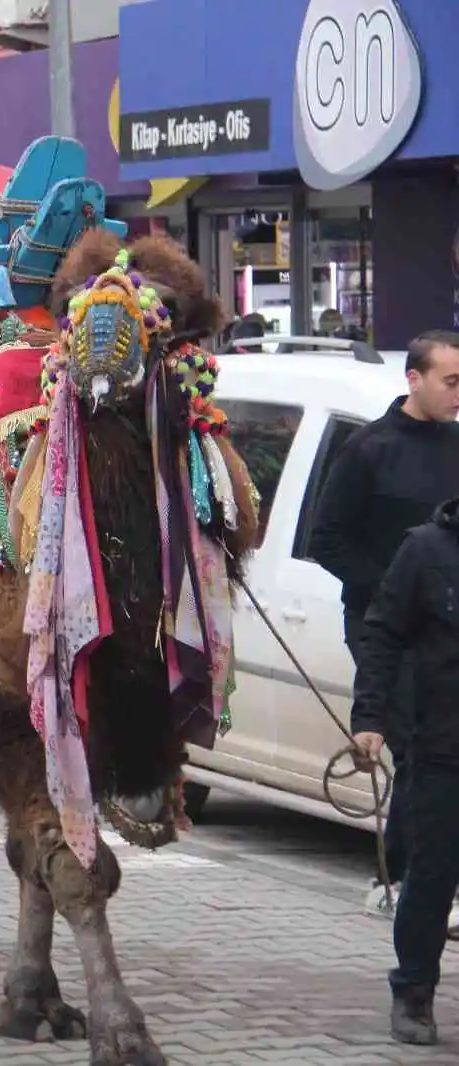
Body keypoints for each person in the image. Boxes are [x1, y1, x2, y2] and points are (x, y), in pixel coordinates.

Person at [313, 329, 459, 917]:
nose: (458, 393)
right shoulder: (368, 449)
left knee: (437, 752)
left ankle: (416, 876)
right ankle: (401, 880)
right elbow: (326, 539)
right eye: (450, 381)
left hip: (445, 627)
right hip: (383, 627)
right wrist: (394, 584)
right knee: (417, 747)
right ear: (414, 379)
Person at [353, 497, 459, 1045]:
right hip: (440, 749)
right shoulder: (425, 550)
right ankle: (413, 994)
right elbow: (382, 636)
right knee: (434, 879)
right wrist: (369, 718)